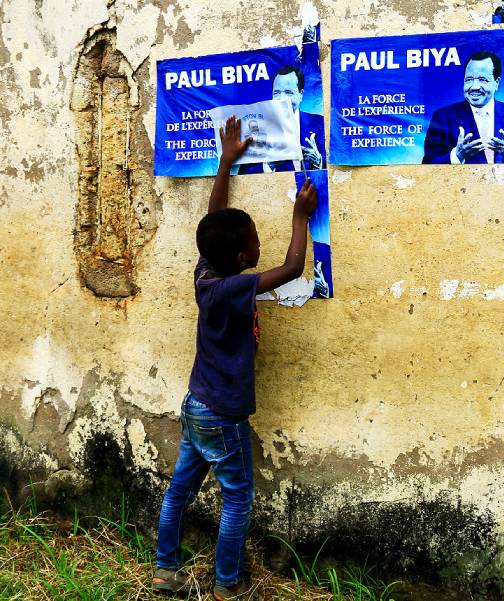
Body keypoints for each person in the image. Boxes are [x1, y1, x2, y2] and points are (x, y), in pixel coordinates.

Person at [152, 115, 317, 600]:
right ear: (245, 261)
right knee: (237, 498)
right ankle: (227, 585)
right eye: (254, 242)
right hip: (223, 414)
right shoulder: (235, 288)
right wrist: (300, 217)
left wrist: (225, 163)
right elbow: (291, 267)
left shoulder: (207, 275)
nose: (258, 244)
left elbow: (213, 220)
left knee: (180, 490)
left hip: (198, 404)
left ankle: (165, 570)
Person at [422, 51, 504, 165]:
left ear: (496, 83)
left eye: (482, 79)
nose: (474, 87)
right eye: (469, 79)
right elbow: (427, 164)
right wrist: (457, 156)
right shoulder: (443, 117)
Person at [239, 65, 326, 173]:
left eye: (289, 92)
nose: (282, 99)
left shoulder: (321, 124)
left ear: (301, 95)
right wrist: (268, 164)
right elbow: (244, 176)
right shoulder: (256, 129)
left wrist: (318, 162)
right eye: (277, 93)